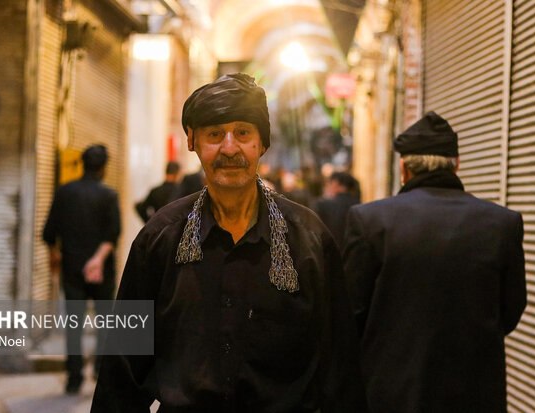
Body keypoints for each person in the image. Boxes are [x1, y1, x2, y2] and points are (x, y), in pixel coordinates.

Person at [92, 73, 367, 412]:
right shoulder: (161, 236)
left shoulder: (308, 239)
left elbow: (340, 368)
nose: (229, 147)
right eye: (214, 134)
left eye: (242, 133)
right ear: (192, 141)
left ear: (262, 143)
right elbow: (123, 370)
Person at [342, 112, 526, 412]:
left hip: (392, 392)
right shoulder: (502, 223)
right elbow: (511, 310)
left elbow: (350, 312)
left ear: (404, 168)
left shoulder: (370, 220)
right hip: (475, 393)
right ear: (456, 165)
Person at [43, 144, 121, 394]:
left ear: (83, 164)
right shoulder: (109, 195)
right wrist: (97, 259)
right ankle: (100, 369)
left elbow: (48, 232)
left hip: (73, 269)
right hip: (101, 269)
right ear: (104, 168)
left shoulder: (64, 192)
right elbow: (113, 234)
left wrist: (55, 254)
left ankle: (73, 377)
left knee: (73, 323)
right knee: (105, 320)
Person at [314, 172, 360, 250]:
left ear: (335, 183)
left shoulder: (322, 205)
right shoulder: (359, 205)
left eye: (329, 184)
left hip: (329, 254)